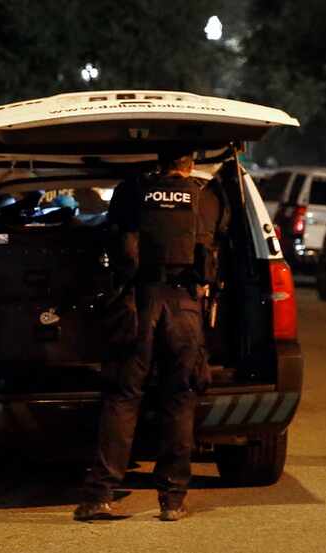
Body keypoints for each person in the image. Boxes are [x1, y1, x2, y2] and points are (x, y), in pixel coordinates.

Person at [74, 147, 227, 521]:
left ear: (158, 160)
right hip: (186, 307)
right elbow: (216, 247)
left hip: (141, 303)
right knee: (179, 398)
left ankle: (100, 496)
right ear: (190, 163)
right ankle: (172, 501)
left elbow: (122, 248)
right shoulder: (207, 196)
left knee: (124, 396)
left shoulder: (133, 191)